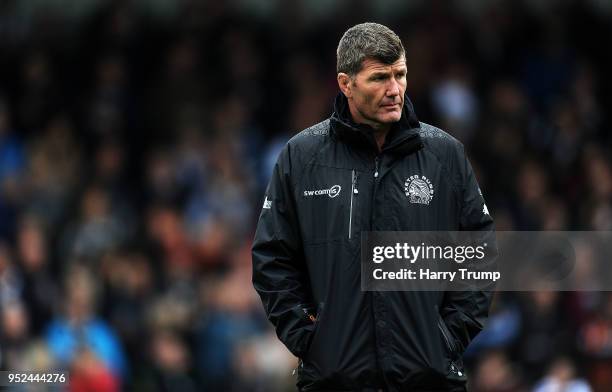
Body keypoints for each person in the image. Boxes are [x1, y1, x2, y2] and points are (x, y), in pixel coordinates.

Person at [252, 22, 495, 391]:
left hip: (428, 379)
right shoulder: (300, 158)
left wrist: (445, 338)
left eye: (400, 75)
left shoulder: (445, 155)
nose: (394, 89)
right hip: (335, 380)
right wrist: (310, 339)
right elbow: (272, 258)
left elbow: (479, 251)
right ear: (346, 83)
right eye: (379, 77)